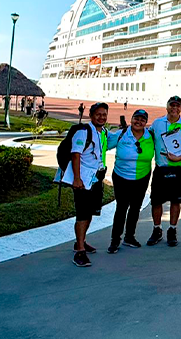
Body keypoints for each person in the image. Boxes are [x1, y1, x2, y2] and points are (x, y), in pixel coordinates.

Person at [148, 96, 181, 247]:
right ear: (167, 106)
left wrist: (179, 158)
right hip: (161, 168)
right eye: (172, 105)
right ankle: (157, 230)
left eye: (177, 105)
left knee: (176, 200)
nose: (174, 108)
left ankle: (172, 230)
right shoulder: (157, 123)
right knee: (156, 201)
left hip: (179, 168)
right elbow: (148, 137)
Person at [106, 109, 154, 254]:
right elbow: (103, 145)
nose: (138, 122)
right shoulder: (121, 134)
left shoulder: (151, 136)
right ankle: (115, 240)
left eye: (142, 120)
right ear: (131, 119)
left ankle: (129, 237)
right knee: (121, 208)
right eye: (136, 119)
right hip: (121, 176)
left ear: (146, 123)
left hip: (142, 176)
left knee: (135, 207)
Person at [68, 102, 109, 267]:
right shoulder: (83, 132)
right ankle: (79, 252)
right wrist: (77, 178)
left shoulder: (102, 132)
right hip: (84, 180)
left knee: (90, 212)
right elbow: (75, 155)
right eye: (98, 114)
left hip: (96, 179)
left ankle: (81, 242)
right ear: (91, 116)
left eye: (104, 114)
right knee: (82, 214)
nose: (102, 117)